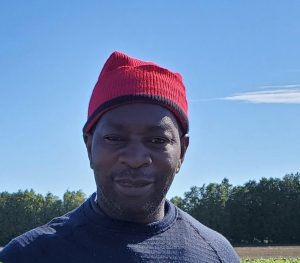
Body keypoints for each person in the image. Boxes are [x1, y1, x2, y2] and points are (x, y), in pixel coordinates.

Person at [0, 51, 240, 262]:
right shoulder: (28, 255)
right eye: (115, 138)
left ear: (182, 152)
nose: (135, 158)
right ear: (88, 146)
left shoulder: (215, 255)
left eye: (158, 140)